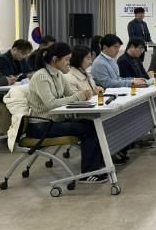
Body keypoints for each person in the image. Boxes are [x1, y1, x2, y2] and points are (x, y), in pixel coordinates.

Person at [26, 42, 107, 183]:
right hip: (41, 125)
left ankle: (97, 167)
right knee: (89, 129)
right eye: (67, 59)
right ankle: (88, 173)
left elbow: (72, 95)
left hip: (55, 121)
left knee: (94, 124)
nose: (69, 63)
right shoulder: (41, 76)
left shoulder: (59, 75)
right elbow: (51, 104)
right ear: (55, 60)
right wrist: (79, 96)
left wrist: (86, 93)